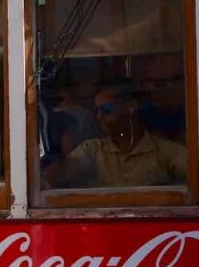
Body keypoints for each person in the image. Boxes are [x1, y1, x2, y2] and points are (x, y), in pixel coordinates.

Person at [45, 79, 188, 189]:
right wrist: (51, 174)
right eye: (97, 111)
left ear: (131, 106)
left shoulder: (165, 152)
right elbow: (68, 169)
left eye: (106, 110)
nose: (99, 117)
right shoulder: (92, 149)